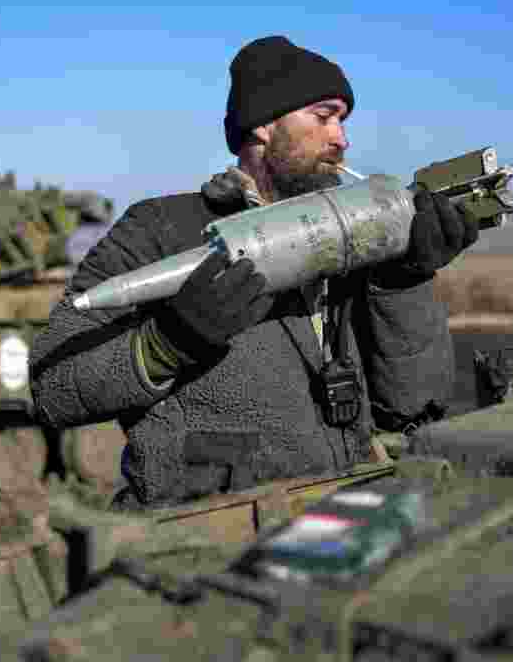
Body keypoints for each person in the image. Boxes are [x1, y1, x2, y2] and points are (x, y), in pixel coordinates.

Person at [30, 35, 477, 509]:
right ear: (264, 125)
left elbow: (409, 407)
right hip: (213, 539)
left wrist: (404, 283)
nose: (341, 139)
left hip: (340, 523)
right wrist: (167, 343)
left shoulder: (355, 243)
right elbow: (52, 384)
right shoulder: (162, 230)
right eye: (323, 117)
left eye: (343, 122)